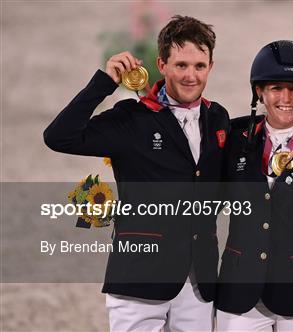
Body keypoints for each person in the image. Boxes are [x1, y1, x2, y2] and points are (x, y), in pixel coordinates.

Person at [44, 15, 229, 331]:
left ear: (210, 67)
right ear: (162, 64)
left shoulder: (218, 118)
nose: (190, 75)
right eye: (181, 65)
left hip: (199, 283)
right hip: (138, 280)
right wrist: (104, 82)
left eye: (199, 66)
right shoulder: (131, 118)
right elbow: (59, 136)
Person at [215, 40, 293, 331]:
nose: (286, 98)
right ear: (259, 91)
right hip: (239, 288)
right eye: (276, 88)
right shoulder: (234, 136)